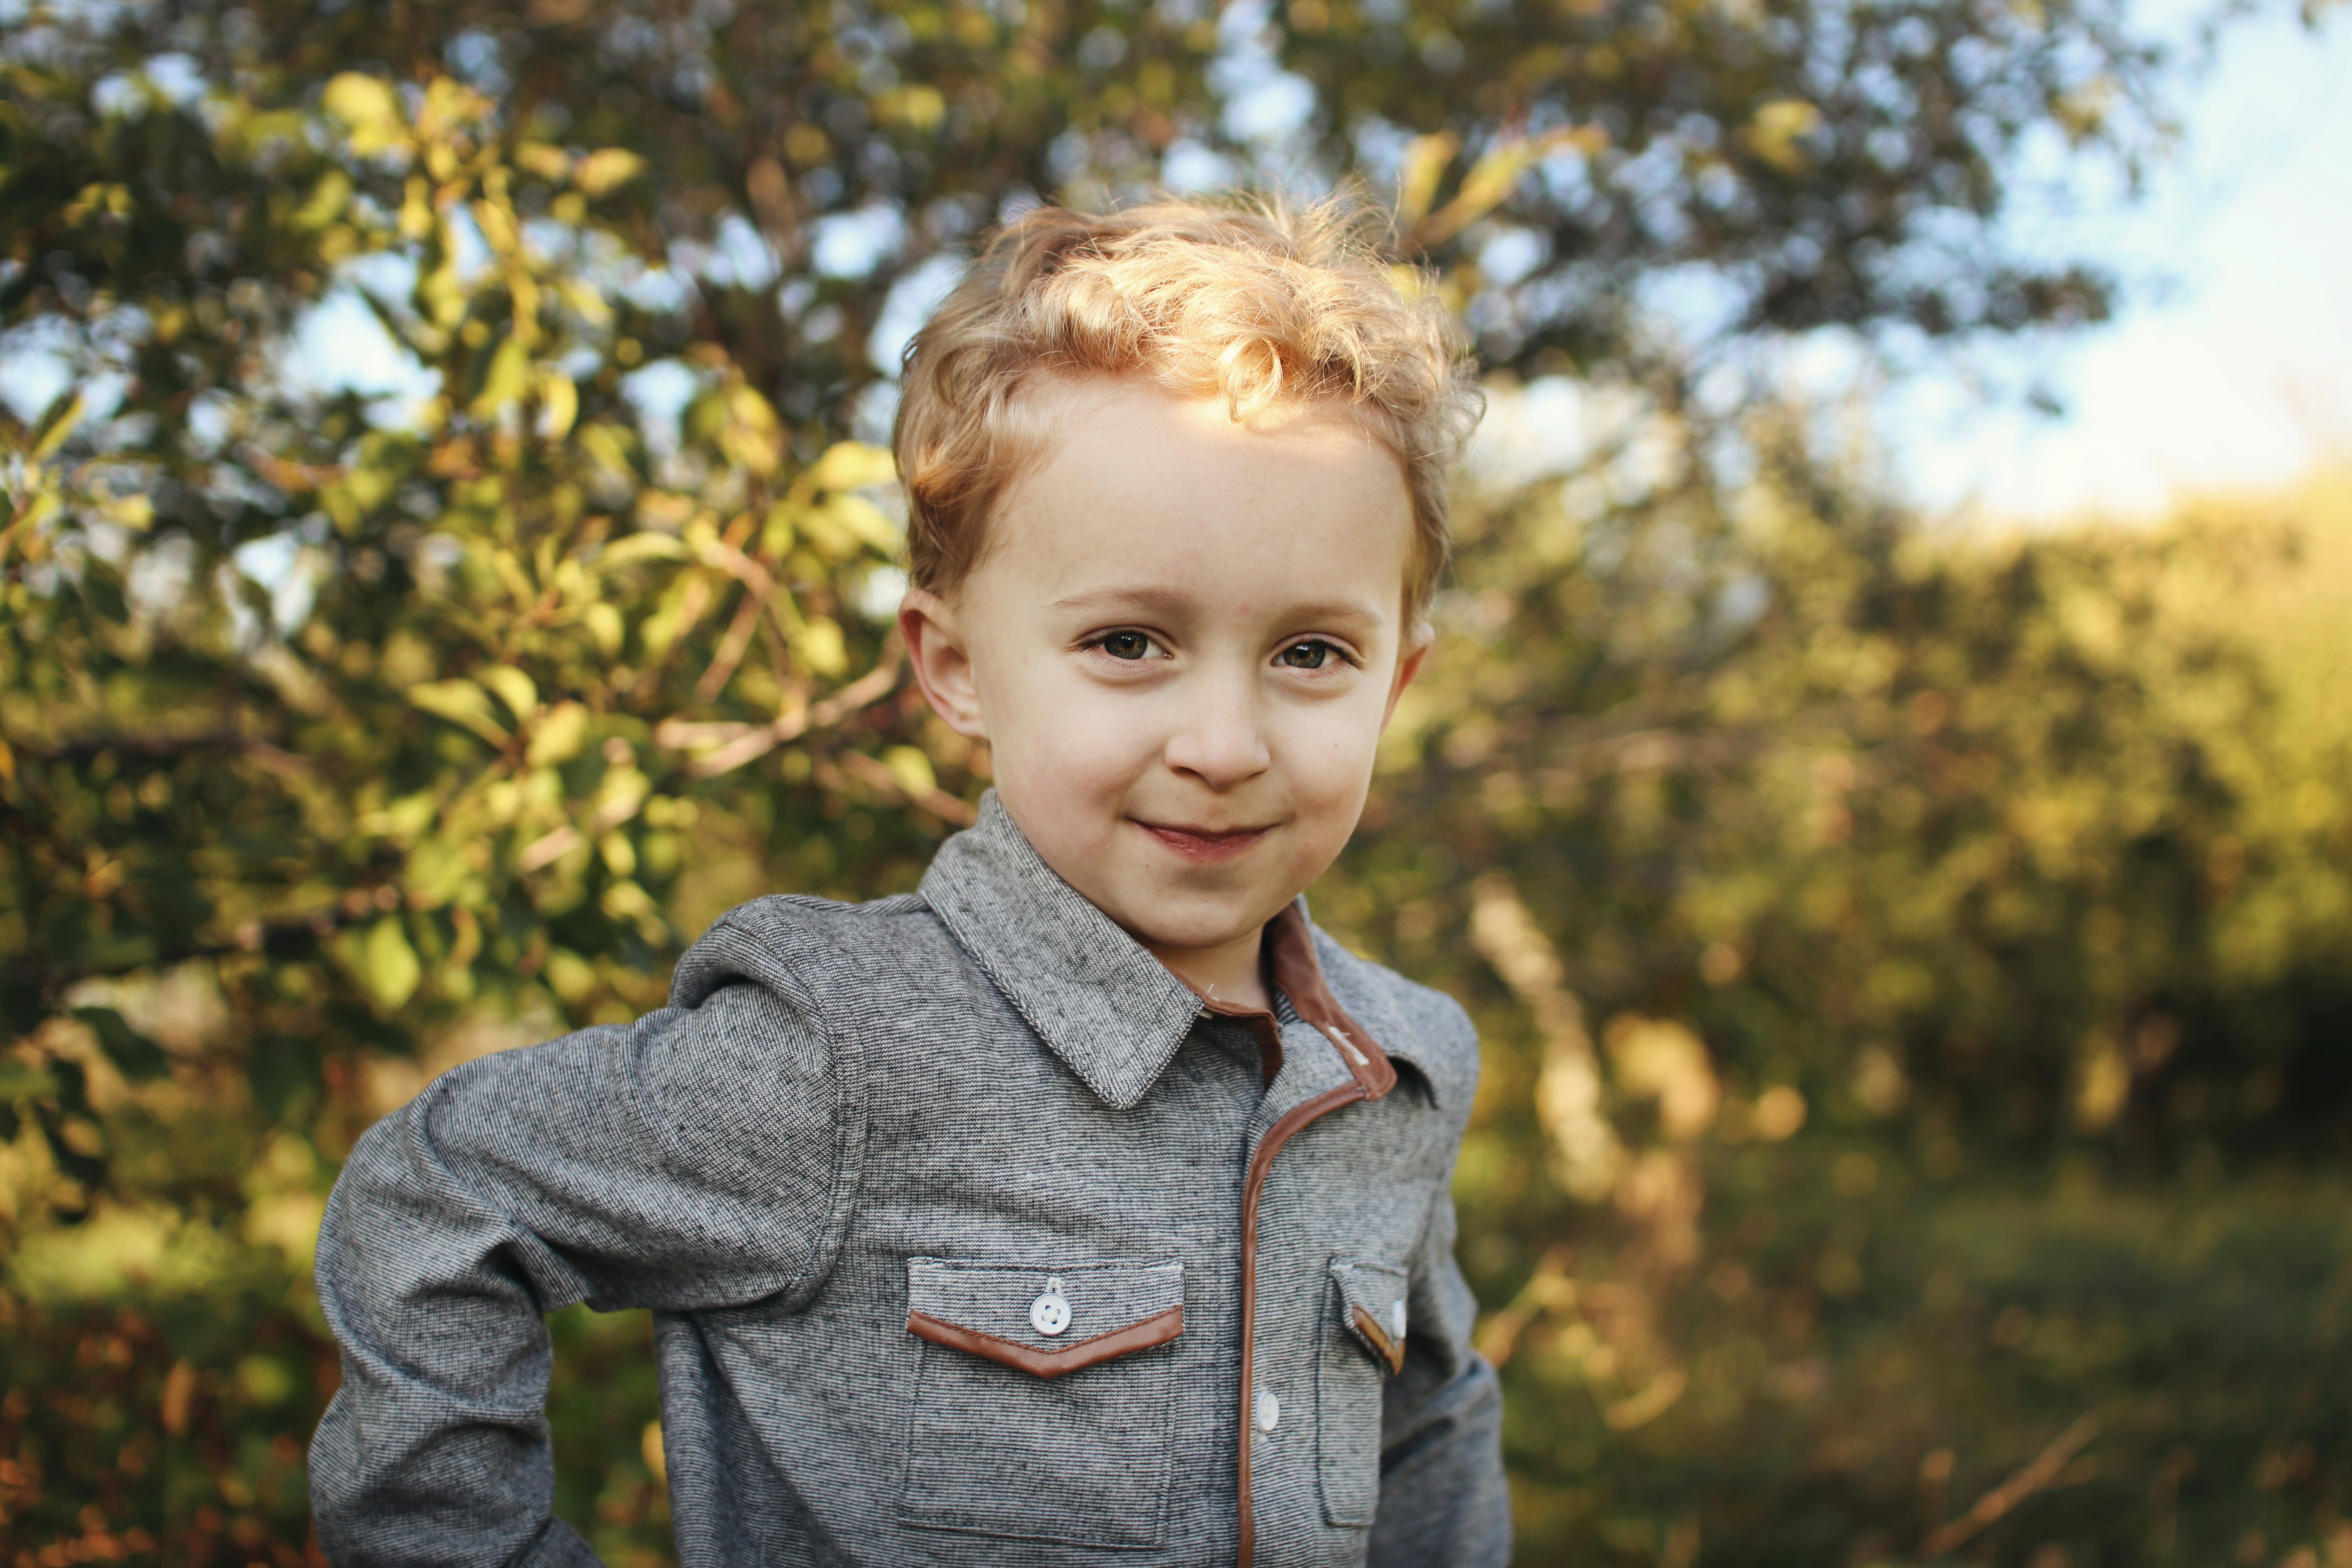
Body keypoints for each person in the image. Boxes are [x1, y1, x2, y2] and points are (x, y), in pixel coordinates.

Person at [309, 196, 1510, 1568]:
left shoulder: (1402, 1065)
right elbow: (440, 1194)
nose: (1224, 747)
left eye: (1310, 656)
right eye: (1128, 643)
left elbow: (1429, 1421)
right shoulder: (841, 1054)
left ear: (1397, 681)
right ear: (953, 667)